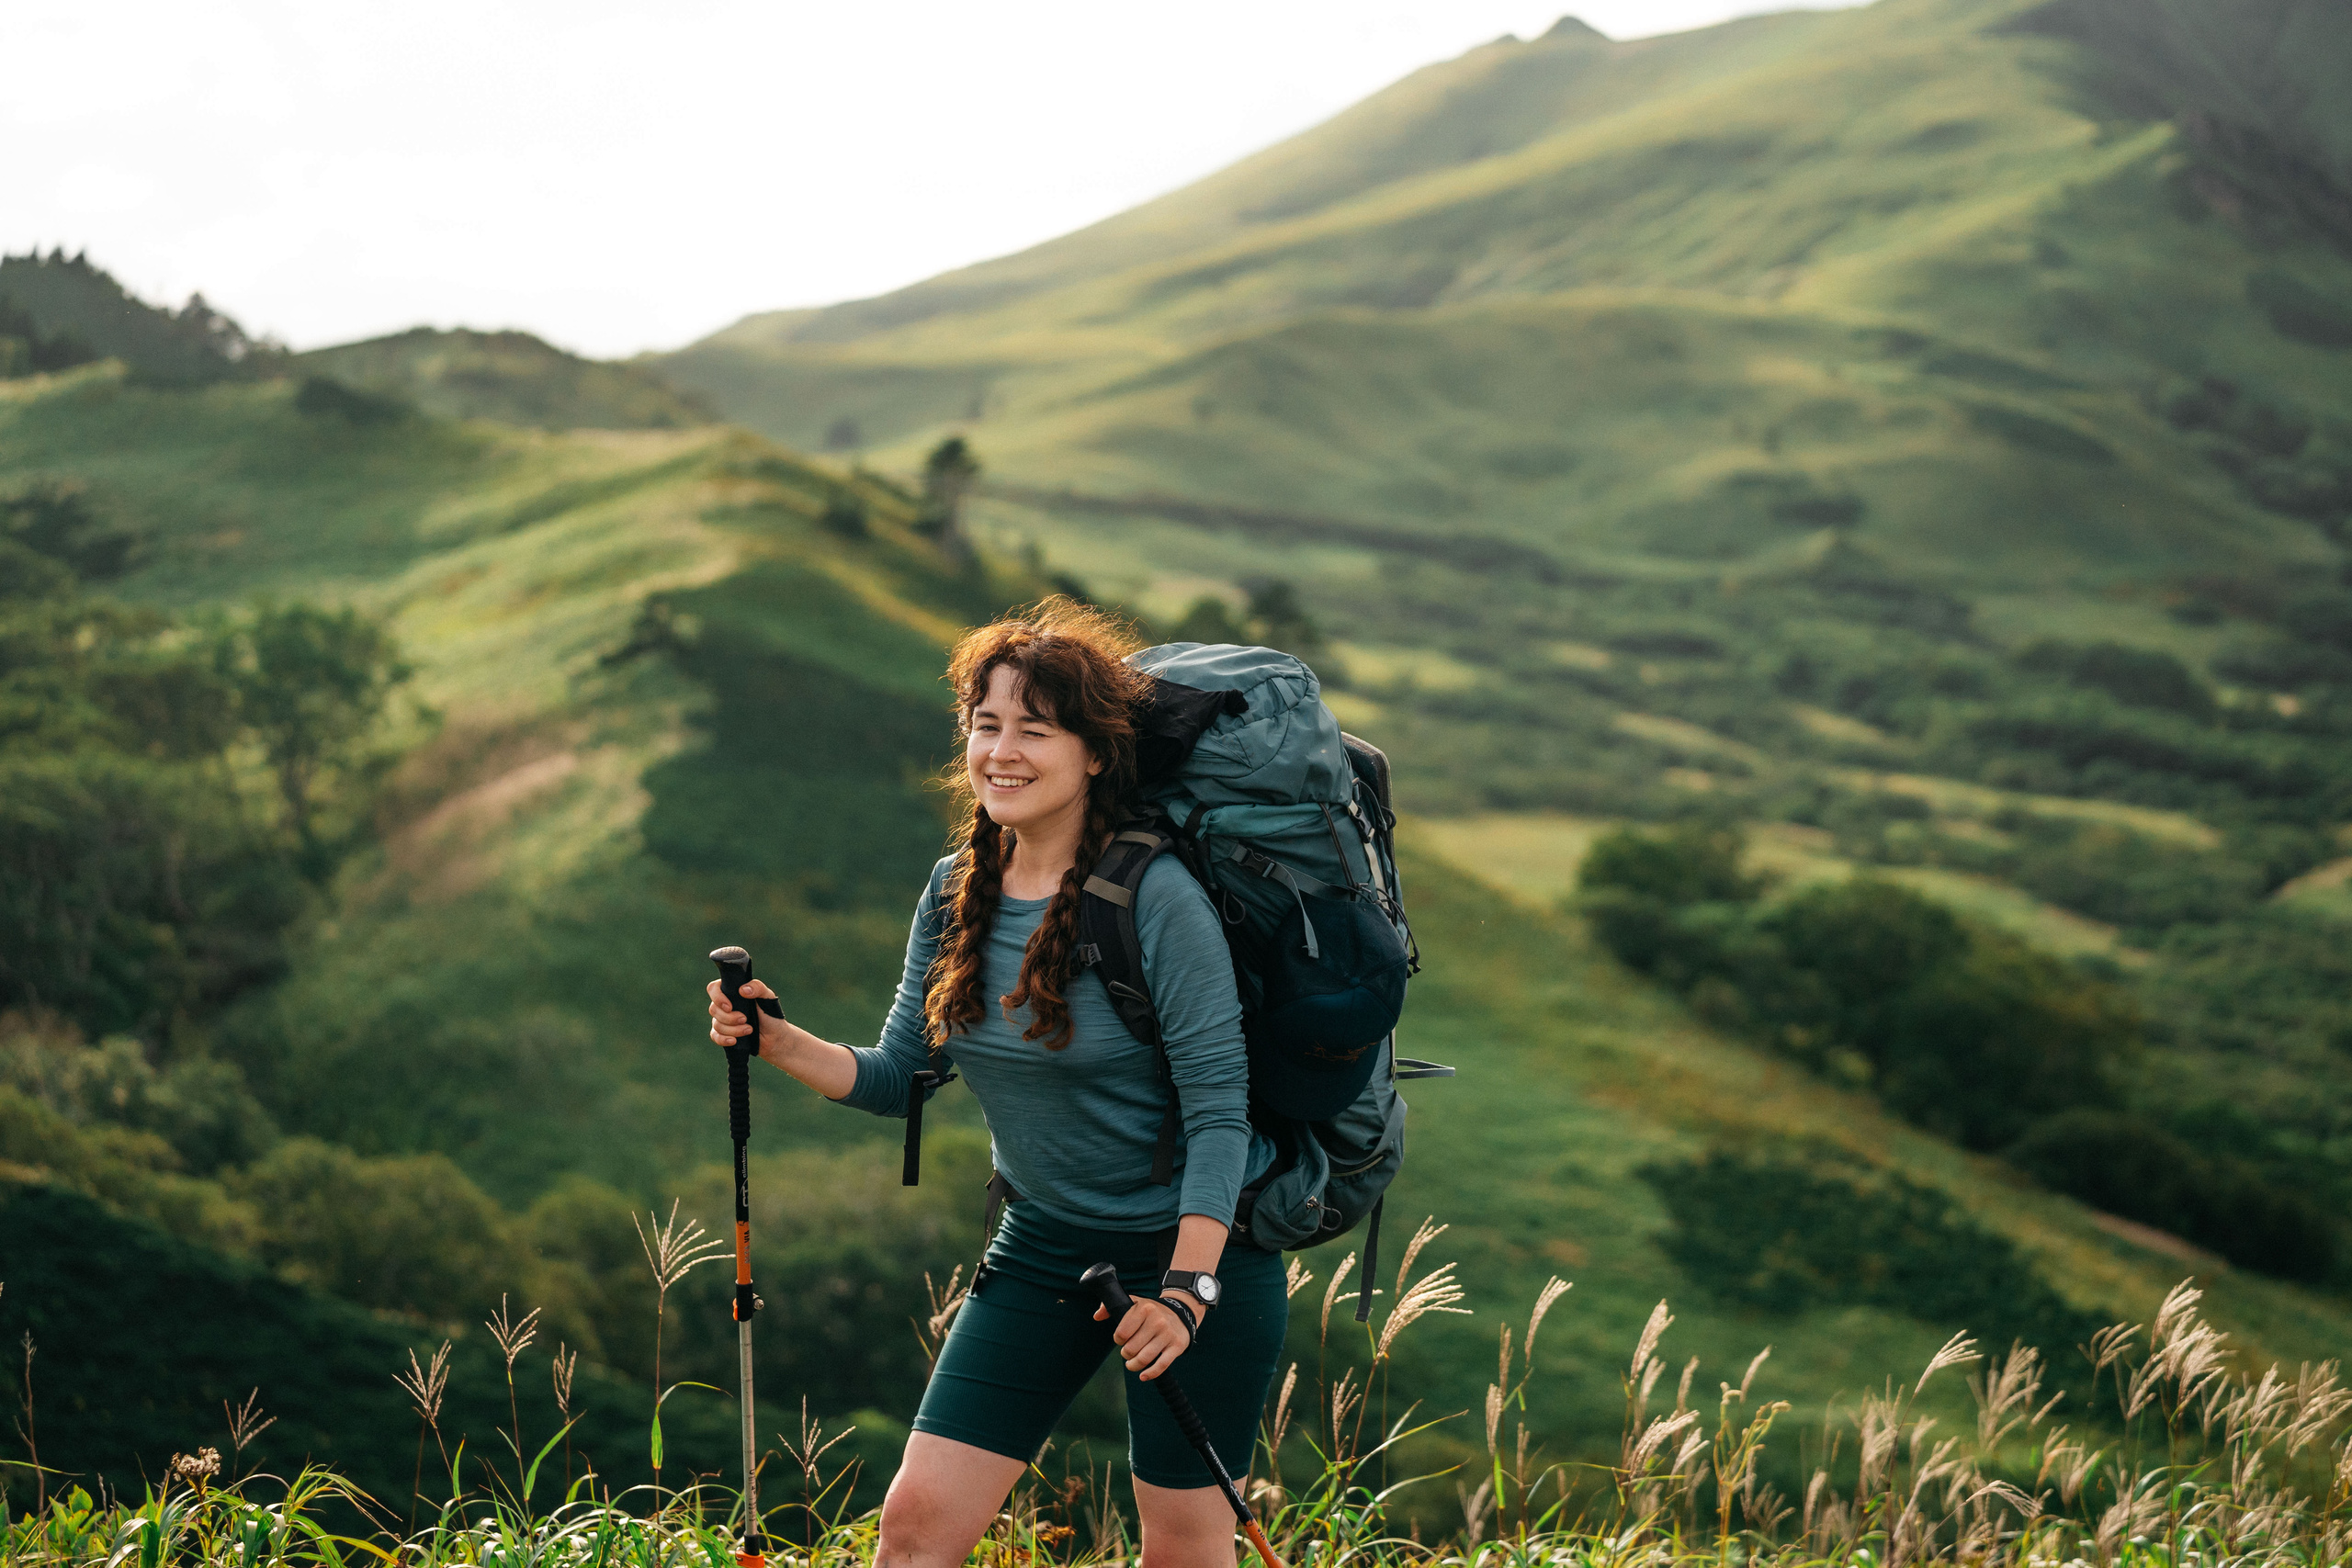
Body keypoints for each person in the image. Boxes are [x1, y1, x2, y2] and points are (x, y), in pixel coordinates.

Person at [705, 598, 1284, 1568]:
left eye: (1034, 728)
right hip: (1045, 1243)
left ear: (1095, 754)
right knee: (915, 1531)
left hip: (1193, 1252)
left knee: (1184, 1548)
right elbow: (902, 1077)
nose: (1001, 751)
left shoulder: (1160, 901)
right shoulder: (954, 887)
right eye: (986, 725)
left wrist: (1185, 1292)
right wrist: (773, 1039)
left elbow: (1222, 1112)